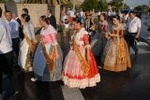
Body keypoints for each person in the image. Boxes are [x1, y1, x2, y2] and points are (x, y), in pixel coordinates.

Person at [62, 17, 100, 89]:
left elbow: (87, 44)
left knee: (80, 66)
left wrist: (87, 55)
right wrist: (72, 43)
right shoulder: (76, 31)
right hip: (74, 51)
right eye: (72, 24)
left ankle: (82, 81)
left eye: (74, 24)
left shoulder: (84, 32)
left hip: (82, 51)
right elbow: (75, 40)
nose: (73, 26)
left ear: (79, 23)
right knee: (72, 66)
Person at [32, 15, 63, 82]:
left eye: (40, 21)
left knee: (47, 63)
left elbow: (54, 41)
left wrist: (56, 53)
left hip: (50, 47)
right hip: (42, 46)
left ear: (44, 21)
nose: (39, 22)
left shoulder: (51, 29)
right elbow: (42, 37)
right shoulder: (43, 28)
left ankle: (48, 76)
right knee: (39, 62)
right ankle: (39, 75)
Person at [0, 7, 19, 99]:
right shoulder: (5, 23)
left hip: (3, 53)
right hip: (8, 50)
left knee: (9, 72)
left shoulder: (2, 24)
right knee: (11, 71)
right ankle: (16, 88)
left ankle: (12, 90)